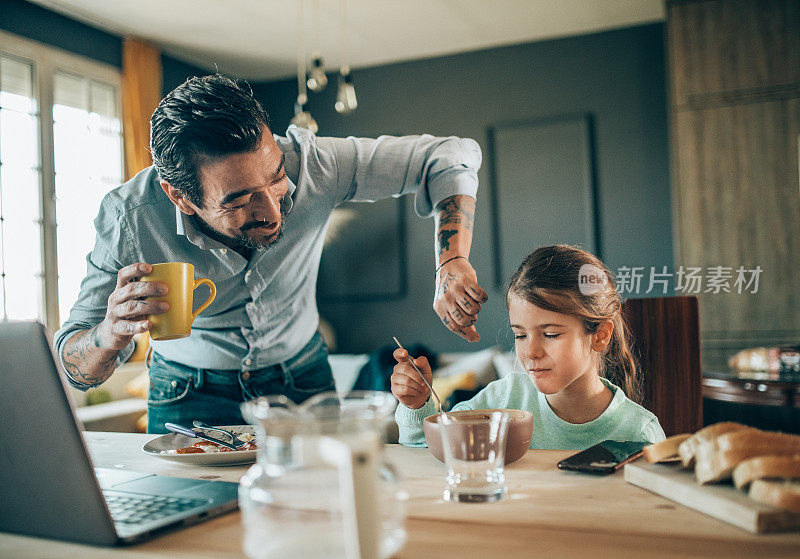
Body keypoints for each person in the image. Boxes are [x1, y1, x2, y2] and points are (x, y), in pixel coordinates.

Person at [54, 74, 488, 433]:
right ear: (179, 196)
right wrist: (110, 333)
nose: (272, 211)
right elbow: (75, 365)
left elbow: (451, 154)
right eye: (240, 200)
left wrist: (451, 259)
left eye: (277, 178)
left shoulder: (315, 164)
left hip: (304, 376)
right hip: (186, 391)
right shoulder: (129, 217)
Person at [392, 244, 666, 450]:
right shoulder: (502, 400)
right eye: (520, 336)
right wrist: (417, 405)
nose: (530, 352)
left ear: (600, 335)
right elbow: (429, 452)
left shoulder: (639, 432)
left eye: (550, 334)